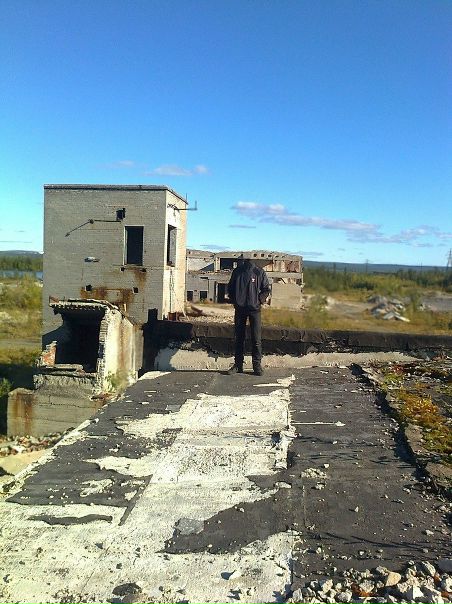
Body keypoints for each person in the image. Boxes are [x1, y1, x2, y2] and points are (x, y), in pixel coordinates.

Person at [226, 256, 271, 375]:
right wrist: (235, 301)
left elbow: (266, 289)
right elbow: (230, 288)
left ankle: (256, 366)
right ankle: (238, 365)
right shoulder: (237, 272)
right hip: (240, 309)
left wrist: (258, 301)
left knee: (256, 338)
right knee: (239, 338)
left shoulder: (259, 272)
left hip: (255, 310)